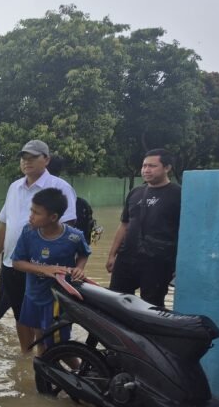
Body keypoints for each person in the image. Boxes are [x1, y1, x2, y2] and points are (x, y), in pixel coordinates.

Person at [0, 140, 77, 352]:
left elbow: (69, 228)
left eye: (32, 157)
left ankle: (44, 358)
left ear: (46, 159)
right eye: (23, 158)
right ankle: (26, 358)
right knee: (20, 314)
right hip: (12, 263)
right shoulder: (14, 187)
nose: (26, 162)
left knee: (43, 319)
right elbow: (6, 223)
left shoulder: (60, 187)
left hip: (43, 267)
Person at [11, 188, 91, 354]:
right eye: (31, 210)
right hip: (33, 295)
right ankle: (43, 368)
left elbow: (84, 254)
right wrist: (44, 269)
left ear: (53, 217)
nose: (31, 216)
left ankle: (81, 369)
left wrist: (79, 269)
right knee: (40, 339)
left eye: (36, 213)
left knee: (58, 345)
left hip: (57, 299)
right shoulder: (28, 232)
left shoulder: (74, 237)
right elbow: (17, 263)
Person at [106, 148, 181, 307]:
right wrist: (112, 255)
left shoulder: (178, 194)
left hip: (158, 261)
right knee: (117, 301)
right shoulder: (136, 192)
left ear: (167, 167)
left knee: (152, 305)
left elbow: (184, 232)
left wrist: (177, 264)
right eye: (144, 166)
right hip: (126, 258)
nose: (146, 170)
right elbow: (124, 224)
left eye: (152, 166)